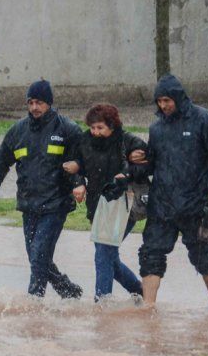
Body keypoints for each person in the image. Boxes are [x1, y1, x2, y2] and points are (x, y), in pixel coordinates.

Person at [0, 80, 84, 299]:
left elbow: (82, 160)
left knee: (38, 256)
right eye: (31, 102)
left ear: (49, 103)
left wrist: (79, 184)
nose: (35, 107)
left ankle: (34, 306)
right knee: (37, 258)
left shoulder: (67, 129)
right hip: (29, 206)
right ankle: (69, 292)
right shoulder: (18, 132)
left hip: (56, 205)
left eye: (40, 103)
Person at [138, 74, 208, 312]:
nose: (163, 106)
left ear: (179, 97)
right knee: (151, 254)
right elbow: (153, 163)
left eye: (167, 100)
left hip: (195, 204)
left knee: (202, 256)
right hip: (161, 205)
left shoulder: (204, 120)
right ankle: (148, 308)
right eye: (159, 101)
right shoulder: (156, 128)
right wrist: (137, 161)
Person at [62, 103, 146, 302]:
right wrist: (79, 183)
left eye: (100, 128)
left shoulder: (129, 142)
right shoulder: (84, 141)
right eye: (92, 127)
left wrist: (127, 171)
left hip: (124, 205)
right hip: (96, 206)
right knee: (109, 258)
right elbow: (77, 166)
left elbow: (149, 164)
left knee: (104, 254)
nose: (95, 132)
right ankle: (140, 292)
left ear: (112, 125)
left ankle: (102, 303)